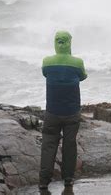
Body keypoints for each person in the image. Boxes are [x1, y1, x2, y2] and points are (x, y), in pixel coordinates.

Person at [39, 31, 87, 195]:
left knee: (48, 146)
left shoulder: (47, 62)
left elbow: (45, 73)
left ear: (55, 43)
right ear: (69, 43)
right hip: (72, 111)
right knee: (69, 145)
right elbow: (83, 76)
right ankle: (68, 179)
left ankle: (44, 183)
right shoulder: (78, 62)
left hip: (52, 111)